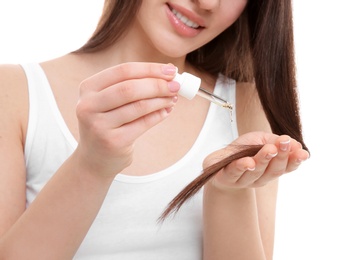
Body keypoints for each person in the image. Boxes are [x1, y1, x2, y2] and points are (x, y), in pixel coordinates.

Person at [0, 0, 310, 259]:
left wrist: (229, 190)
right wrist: (92, 165)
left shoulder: (246, 105)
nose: (207, 3)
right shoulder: (15, 92)